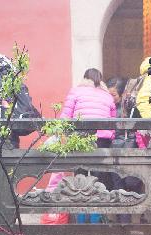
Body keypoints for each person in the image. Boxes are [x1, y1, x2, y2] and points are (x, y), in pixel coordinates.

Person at [42, 68, 117, 225]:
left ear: (84, 78)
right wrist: (109, 136)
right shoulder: (107, 96)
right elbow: (113, 120)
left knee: (79, 180)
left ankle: (81, 221)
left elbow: (65, 117)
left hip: (79, 140)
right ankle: (96, 221)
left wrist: (59, 134)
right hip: (101, 141)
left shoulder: (76, 92)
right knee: (99, 182)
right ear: (100, 80)